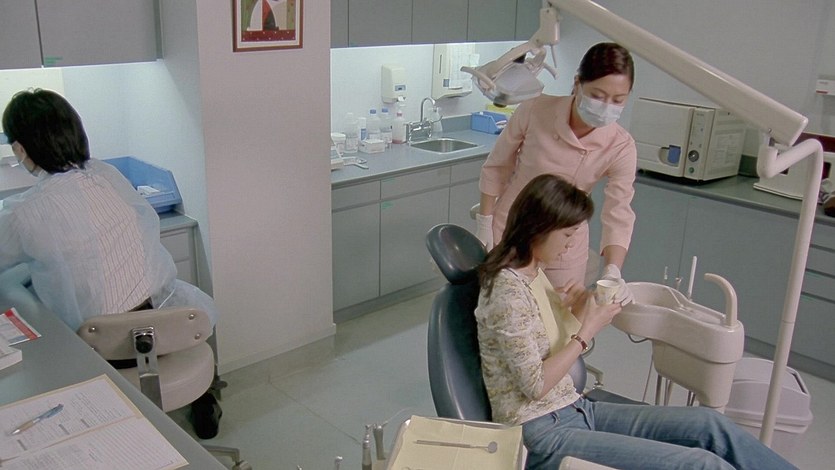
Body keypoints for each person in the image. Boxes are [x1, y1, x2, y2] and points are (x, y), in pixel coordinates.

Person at [475, 174, 796, 470]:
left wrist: (579, 309)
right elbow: (535, 385)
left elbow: (546, 344)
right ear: (538, 227)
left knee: (710, 425)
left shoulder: (533, 272)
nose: (571, 244)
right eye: (568, 234)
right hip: (541, 432)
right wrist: (588, 331)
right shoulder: (507, 292)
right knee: (702, 465)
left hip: (573, 408)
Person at [0, 89, 223, 437]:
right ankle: (205, 401)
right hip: (169, 323)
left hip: (104, 347)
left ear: (19, 149)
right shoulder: (107, 174)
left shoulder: (24, 213)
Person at [476, 42, 637, 302]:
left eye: (618, 100)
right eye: (597, 96)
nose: (607, 107)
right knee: (505, 307)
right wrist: (485, 222)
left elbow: (618, 213)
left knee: (559, 317)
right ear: (577, 83)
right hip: (512, 230)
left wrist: (613, 270)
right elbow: (497, 166)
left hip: (565, 244)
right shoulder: (535, 109)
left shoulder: (620, 146)